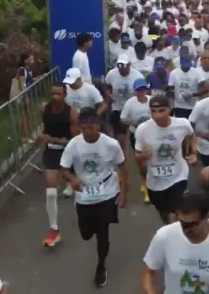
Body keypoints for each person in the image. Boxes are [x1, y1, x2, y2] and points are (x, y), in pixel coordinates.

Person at [59, 107, 128, 288]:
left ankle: (101, 265)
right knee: (86, 234)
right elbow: (64, 168)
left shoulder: (111, 144)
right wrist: (72, 178)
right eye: (84, 128)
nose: (88, 132)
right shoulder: (74, 144)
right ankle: (96, 230)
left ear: (98, 126)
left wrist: (123, 193)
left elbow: (123, 167)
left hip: (107, 190)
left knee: (102, 230)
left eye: (92, 128)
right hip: (84, 194)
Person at [142, 191, 209, 294]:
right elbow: (149, 272)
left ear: (207, 216)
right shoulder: (164, 236)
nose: (185, 229)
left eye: (192, 224)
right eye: (182, 223)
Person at [135, 95, 197, 223]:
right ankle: (170, 228)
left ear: (170, 109)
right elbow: (137, 155)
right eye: (153, 111)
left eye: (161, 110)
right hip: (155, 181)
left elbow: (191, 136)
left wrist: (193, 153)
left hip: (178, 176)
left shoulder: (182, 124)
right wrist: (143, 158)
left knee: (176, 213)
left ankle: (177, 235)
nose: (157, 115)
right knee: (164, 213)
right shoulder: (142, 129)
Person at [36, 83, 79, 247]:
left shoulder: (71, 114)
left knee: (79, 189)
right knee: (51, 191)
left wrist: (52, 139)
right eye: (52, 93)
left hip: (69, 151)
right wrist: (40, 138)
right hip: (52, 152)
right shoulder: (44, 109)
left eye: (58, 94)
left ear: (65, 95)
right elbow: (45, 129)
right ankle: (54, 229)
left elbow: (74, 141)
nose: (55, 97)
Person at [120, 78, 153, 204]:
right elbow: (122, 119)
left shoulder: (151, 100)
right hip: (135, 134)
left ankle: (150, 184)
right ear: (135, 91)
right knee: (140, 160)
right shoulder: (130, 103)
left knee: (151, 158)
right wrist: (134, 121)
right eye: (138, 90)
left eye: (143, 89)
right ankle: (144, 181)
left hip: (151, 134)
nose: (141, 92)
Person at [105, 54, 145, 150]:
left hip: (131, 108)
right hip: (117, 106)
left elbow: (142, 92)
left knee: (131, 132)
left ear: (129, 65)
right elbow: (106, 86)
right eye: (119, 66)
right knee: (119, 133)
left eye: (123, 66)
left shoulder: (138, 76)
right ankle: (120, 151)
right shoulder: (112, 74)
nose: (121, 68)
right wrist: (109, 96)